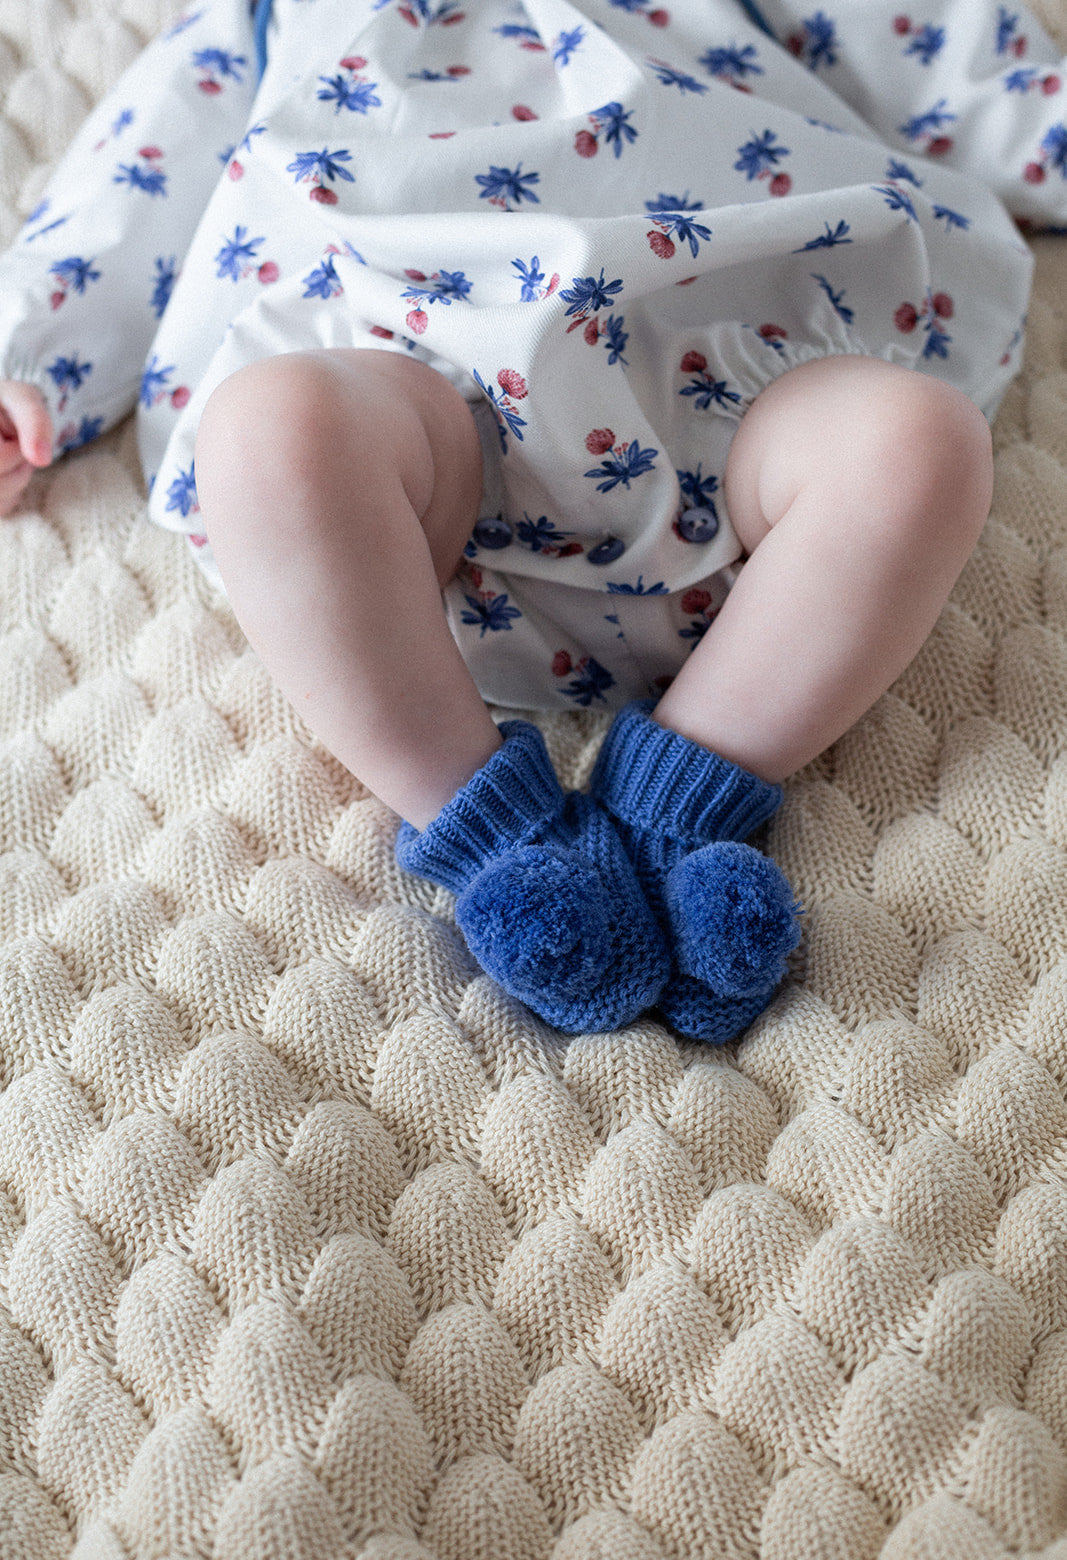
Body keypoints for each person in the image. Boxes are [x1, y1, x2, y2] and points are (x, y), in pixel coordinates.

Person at [0, 0, 1063, 1039]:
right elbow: (140, 169)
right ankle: (497, 841)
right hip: (412, 415)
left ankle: (674, 798)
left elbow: (932, 42)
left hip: (724, 362)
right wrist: (31, 347)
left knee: (916, 444)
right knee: (272, 435)